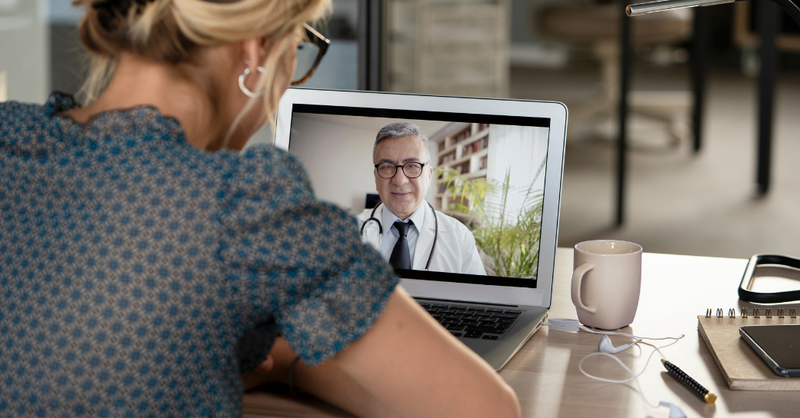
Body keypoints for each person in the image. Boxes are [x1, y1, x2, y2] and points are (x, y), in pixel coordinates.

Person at [0, 0, 519, 417]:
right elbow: (486, 408)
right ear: (257, 50)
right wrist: (287, 362)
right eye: (299, 46)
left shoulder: (9, 135)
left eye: (412, 168)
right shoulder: (242, 202)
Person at [357, 123, 487, 275]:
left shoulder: (460, 238)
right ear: (376, 177)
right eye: (387, 166)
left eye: (412, 166)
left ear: (429, 176)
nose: (400, 180)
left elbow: (474, 297)